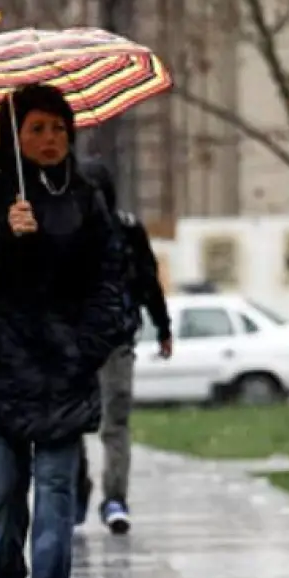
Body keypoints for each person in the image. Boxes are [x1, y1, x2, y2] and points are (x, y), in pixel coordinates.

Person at [0, 83, 134, 578]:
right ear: (13, 137)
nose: (51, 139)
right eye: (37, 129)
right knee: (4, 494)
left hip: (63, 371)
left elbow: (110, 280)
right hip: (1, 370)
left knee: (55, 488)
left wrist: (86, 346)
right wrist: (3, 233)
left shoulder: (87, 200)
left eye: (59, 128)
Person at [74, 162, 172, 534]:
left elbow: (148, 280)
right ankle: (78, 490)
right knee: (71, 422)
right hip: (73, 343)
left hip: (116, 340)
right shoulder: (64, 233)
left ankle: (114, 498)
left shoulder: (127, 231)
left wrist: (163, 326)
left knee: (114, 421)